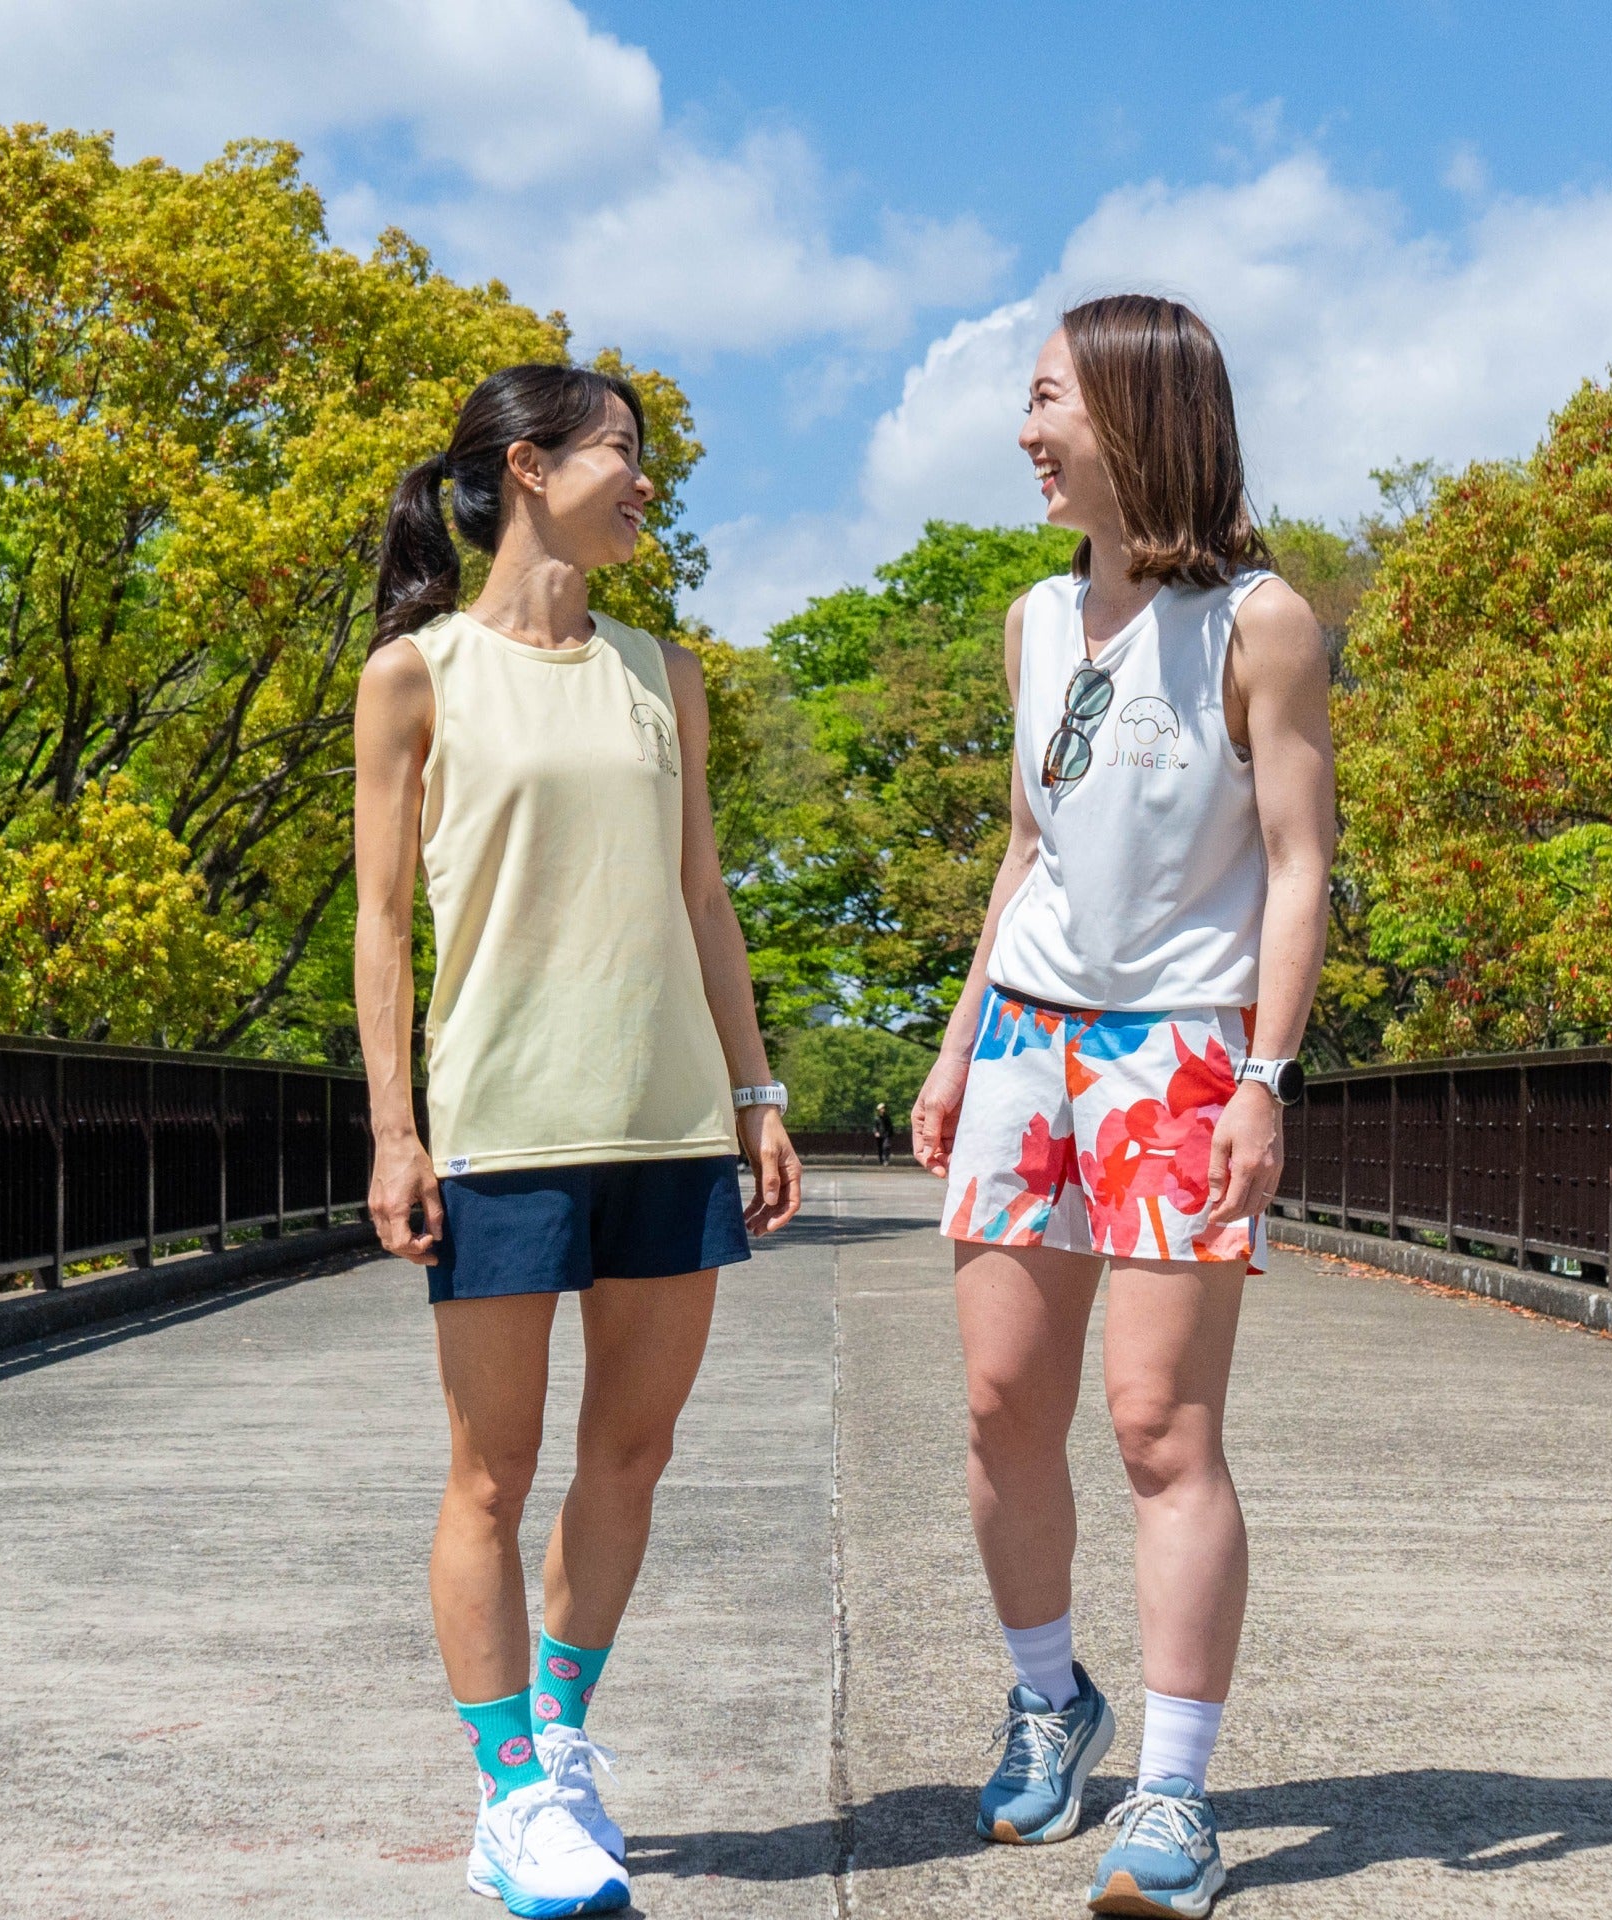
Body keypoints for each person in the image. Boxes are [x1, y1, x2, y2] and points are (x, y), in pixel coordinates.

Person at [353, 362, 802, 1919]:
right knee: (492, 1471)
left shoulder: (660, 673)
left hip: (666, 1121)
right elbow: (385, 919)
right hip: (500, 1130)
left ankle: (559, 1741)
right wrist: (393, 1129)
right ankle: (506, 1793)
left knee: (633, 1452)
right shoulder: (418, 674)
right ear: (531, 469)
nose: (646, 482)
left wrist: (758, 1095)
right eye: (625, 455)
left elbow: (700, 895)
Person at [910, 294, 1333, 1917]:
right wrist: (958, 1047)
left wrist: (1263, 1080)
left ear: (1139, 416)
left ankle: (1173, 1793)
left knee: (1162, 1427)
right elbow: (1029, 846)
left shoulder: (1257, 623)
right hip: (1027, 1039)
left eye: (1047, 402)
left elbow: (1297, 865)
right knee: (1002, 1402)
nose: (1025, 433)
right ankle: (1046, 1697)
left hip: (1178, 1054)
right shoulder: (1031, 618)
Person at [873, 1101, 894, 1166]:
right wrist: (876, 1132)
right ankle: (881, 1160)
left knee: (885, 1146)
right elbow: (875, 1126)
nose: (883, 1110)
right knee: (880, 1148)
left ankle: (886, 1159)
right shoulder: (877, 1118)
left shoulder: (887, 1117)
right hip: (879, 1135)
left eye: (883, 1108)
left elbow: (890, 1126)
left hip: (886, 1134)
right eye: (881, 1109)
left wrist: (889, 1133)